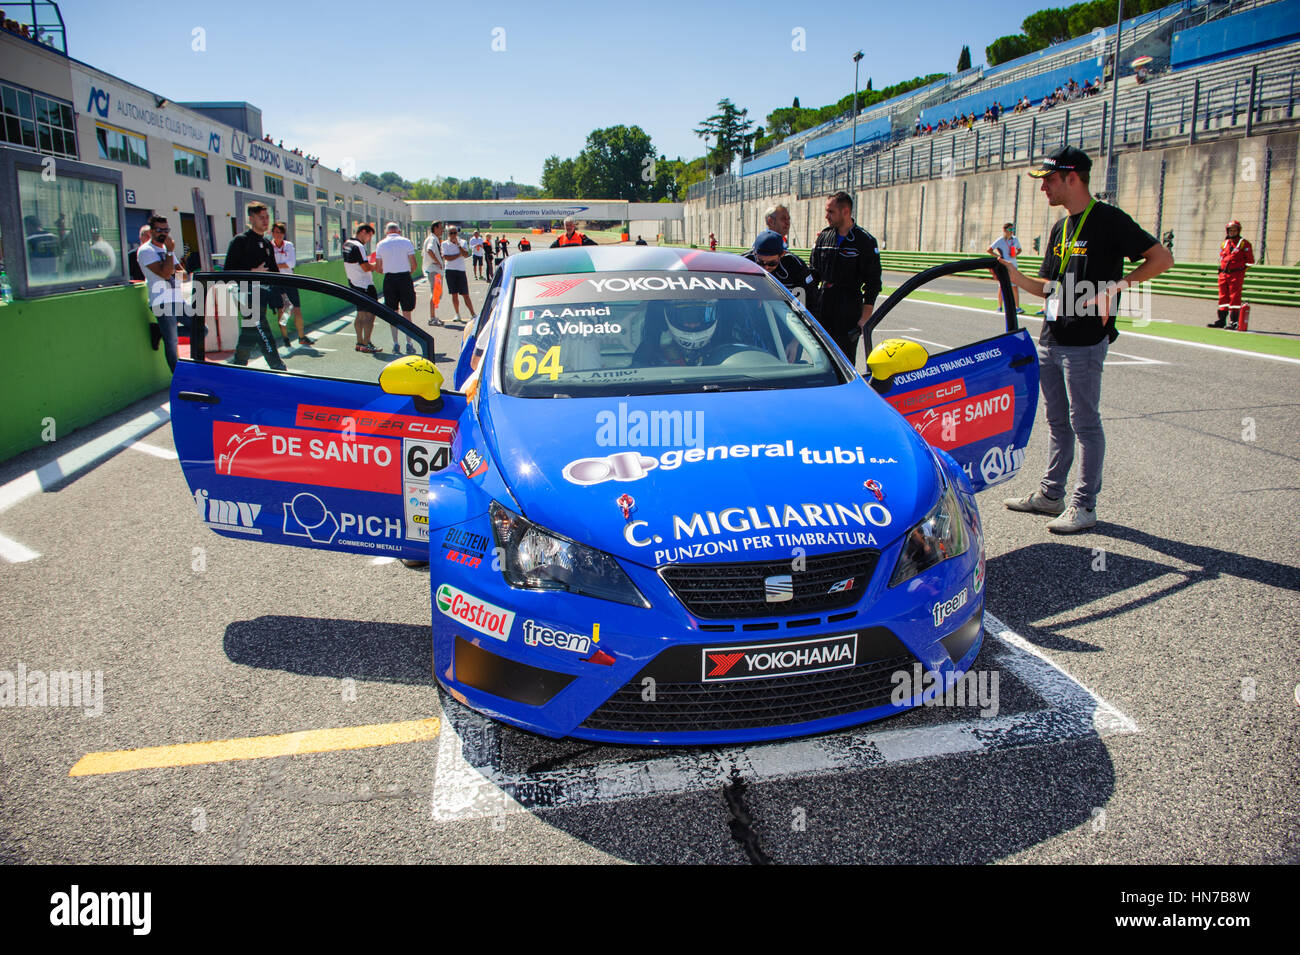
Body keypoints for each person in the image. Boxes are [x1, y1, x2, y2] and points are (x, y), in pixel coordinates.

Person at [996, 146, 1173, 533]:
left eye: (1049, 180)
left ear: (1071, 176)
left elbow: (1162, 258)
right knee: (1057, 421)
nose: (1043, 188)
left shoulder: (1109, 220)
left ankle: (1084, 504)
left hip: (1086, 341)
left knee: (1085, 422)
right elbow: (1049, 287)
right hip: (1052, 336)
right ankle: (1051, 495)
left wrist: (1118, 287)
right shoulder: (1060, 228)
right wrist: (1015, 276)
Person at [809, 191, 882, 369]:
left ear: (846, 211)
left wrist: (865, 318)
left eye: (830, 211)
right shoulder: (824, 237)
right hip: (823, 304)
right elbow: (813, 274)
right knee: (821, 358)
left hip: (848, 308)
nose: (826, 216)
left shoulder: (864, 241)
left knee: (844, 362)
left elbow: (873, 284)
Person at [223, 203, 287, 370]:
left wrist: (283, 295)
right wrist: (252, 271)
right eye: (261, 218)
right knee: (261, 327)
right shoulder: (240, 241)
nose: (266, 221)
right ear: (251, 219)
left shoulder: (266, 243)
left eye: (267, 217)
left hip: (262, 295)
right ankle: (277, 365)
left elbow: (274, 271)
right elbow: (227, 270)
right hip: (244, 293)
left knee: (250, 331)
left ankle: (238, 364)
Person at [138, 214, 186, 372]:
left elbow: (184, 275)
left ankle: (160, 330)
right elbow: (165, 274)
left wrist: (170, 268)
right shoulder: (146, 251)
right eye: (160, 230)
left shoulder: (165, 250)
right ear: (151, 231)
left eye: (166, 230)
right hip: (161, 301)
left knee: (201, 329)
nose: (164, 234)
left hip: (176, 299)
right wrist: (171, 254)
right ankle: (178, 377)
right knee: (172, 341)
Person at [373, 222, 420, 354]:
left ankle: (395, 343)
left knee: (393, 312)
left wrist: (389, 271)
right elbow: (414, 264)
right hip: (404, 278)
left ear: (386, 232)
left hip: (389, 279)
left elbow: (378, 267)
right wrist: (406, 273)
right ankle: (409, 343)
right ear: (399, 231)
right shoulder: (406, 242)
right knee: (407, 312)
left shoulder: (381, 244)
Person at [270, 221, 313, 348]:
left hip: (289, 279)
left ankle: (301, 337)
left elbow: (291, 264)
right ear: (272, 233)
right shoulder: (269, 245)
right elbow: (272, 266)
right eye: (275, 232)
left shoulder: (288, 245)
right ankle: (285, 338)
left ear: (284, 234)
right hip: (276, 281)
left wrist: (277, 265)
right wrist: (281, 265)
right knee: (281, 310)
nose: (277, 235)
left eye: (280, 232)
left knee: (296, 309)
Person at [341, 223, 380, 353]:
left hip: (353, 283)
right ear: (363, 232)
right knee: (370, 315)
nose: (369, 239)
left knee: (360, 314)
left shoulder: (347, 244)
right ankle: (367, 343)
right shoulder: (359, 246)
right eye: (369, 236)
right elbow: (365, 267)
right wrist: (376, 265)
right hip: (365, 284)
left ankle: (359, 342)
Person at [1209, 220, 1253, 329]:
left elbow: (1250, 261)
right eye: (1230, 230)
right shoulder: (1225, 243)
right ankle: (1221, 320)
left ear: (1238, 231)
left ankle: (1234, 321)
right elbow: (1222, 257)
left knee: (1235, 298)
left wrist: (1240, 271)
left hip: (1236, 275)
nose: (1232, 232)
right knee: (1223, 298)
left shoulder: (1244, 243)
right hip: (1223, 275)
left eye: (1234, 230)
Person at [441, 225, 476, 323]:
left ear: (457, 233)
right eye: (450, 233)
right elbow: (447, 258)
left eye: (454, 233)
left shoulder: (463, 242)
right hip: (450, 270)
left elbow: (465, 254)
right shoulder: (444, 244)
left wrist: (458, 246)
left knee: (465, 294)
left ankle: (473, 313)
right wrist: (458, 255)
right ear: (447, 234)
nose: (452, 235)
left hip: (460, 270)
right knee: (454, 294)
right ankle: (457, 314)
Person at [986, 223, 1023, 314]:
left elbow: (1019, 249)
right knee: (1002, 286)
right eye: (1010, 229)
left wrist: (1015, 254)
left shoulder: (1015, 239)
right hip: (1003, 265)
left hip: (1013, 265)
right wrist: (998, 257)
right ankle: (999, 307)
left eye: (1012, 229)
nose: (1012, 231)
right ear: (1005, 230)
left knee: (1015, 286)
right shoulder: (1000, 240)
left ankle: (1017, 307)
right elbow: (989, 250)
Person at [423, 221, 446, 326]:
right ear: (435, 228)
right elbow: (429, 250)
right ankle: (432, 317)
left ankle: (433, 316)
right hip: (434, 270)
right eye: (441, 228)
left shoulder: (434, 239)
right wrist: (437, 261)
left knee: (437, 294)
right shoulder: (432, 239)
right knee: (435, 293)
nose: (442, 230)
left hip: (435, 270)